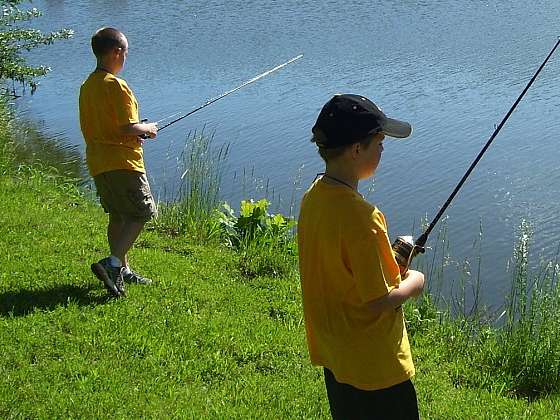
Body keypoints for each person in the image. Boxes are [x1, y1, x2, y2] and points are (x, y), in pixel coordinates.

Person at [298, 94, 425, 419]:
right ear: (357, 150)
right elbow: (379, 300)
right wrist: (414, 281)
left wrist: (392, 262)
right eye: (379, 142)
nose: (383, 149)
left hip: (338, 357)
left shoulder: (313, 198)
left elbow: (347, 272)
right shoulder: (363, 218)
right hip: (376, 369)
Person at [79, 27, 159, 298]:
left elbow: (108, 126)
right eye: (125, 53)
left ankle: (122, 269)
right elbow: (127, 127)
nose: (125, 58)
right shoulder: (117, 85)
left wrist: (138, 129)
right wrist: (148, 128)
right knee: (141, 213)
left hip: (98, 162)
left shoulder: (88, 85)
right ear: (116, 52)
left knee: (118, 215)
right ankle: (112, 263)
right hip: (123, 162)